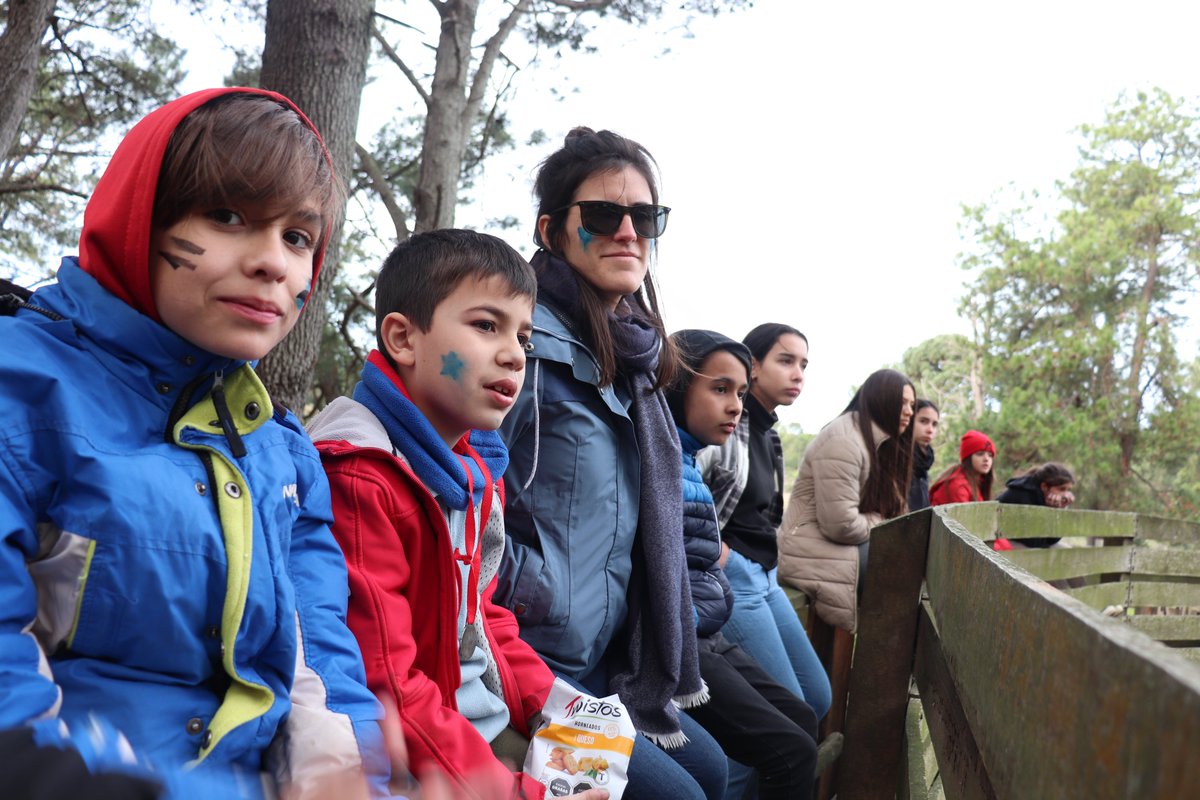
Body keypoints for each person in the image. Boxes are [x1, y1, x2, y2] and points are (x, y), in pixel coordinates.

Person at [0, 89, 395, 798]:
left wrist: (361, 781)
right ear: (139, 217)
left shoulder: (280, 452)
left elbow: (324, 667)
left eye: (298, 238)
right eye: (228, 216)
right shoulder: (19, 390)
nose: (273, 262)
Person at [306, 230, 606, 800]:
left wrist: (565, 713)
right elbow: (391, 685)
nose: (516, 353)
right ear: (403, 338)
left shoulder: (472, 471)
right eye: (486, 325)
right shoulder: (363, 476)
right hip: (434, 750)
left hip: (478, 718)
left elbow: (484, 620)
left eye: (523, 334)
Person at [494, 127, 727, 800]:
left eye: (645, 217)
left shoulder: (635, 362)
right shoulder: (522, 343)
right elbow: (458, 492)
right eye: (602, 215)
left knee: (709, 771)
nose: (628, 232)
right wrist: (530, 588)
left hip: (607, 658)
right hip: (536, 661)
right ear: (552, 230)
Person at [666, 329, 818, 800]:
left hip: (709, 622)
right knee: (786, 750)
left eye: (739, 393)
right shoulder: (664, 461)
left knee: (806, 716)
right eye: (720, 389)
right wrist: (727, 560)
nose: (735, 405)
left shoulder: (692, 455)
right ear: (676, 385)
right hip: (682, 638)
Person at [696, 324, 832, 719]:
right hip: (733, 576)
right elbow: (675, 486)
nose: (798, 374)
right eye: (786, 360)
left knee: (817, 698)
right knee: (784, 712)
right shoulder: (723, 424)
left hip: (768, 576)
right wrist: (715, 552)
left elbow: (766, 514)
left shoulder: (770, 435)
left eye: (804, 365)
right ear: (753, 365)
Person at [778, 368, 916, 633]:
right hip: (805, 549)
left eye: (912, 404)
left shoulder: (880, 443)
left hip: (834, 546)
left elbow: (899, 512)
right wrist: (880, 522)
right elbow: (840, 525)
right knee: (901, 567)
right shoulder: (844, 441)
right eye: (903, 403)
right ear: (880, 399)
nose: (910, 411)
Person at [995, 462, 1077, 548]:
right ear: (1044, 487)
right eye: (1062, 489)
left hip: (1026, 542)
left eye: (1068, 490)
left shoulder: (1044, 498)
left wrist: (1059, 510)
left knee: (1064, 549)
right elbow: (1033, 541)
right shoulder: (1023, 495)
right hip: (1001, 541)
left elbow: (1051, 540)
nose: (1065, 495)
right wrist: (1052, 511)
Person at [929, 430, 995, 506]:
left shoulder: (978, 481)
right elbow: (962, 516)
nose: (986, 459)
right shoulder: (957, 486)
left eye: (990, 455)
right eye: (980, 454)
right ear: (968, 458)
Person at [908, 399, 940, 511]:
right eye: (923, 421)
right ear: (910, 420)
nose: (930, 430)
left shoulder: (924, 462)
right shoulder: (898, 459)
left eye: (934, 424)